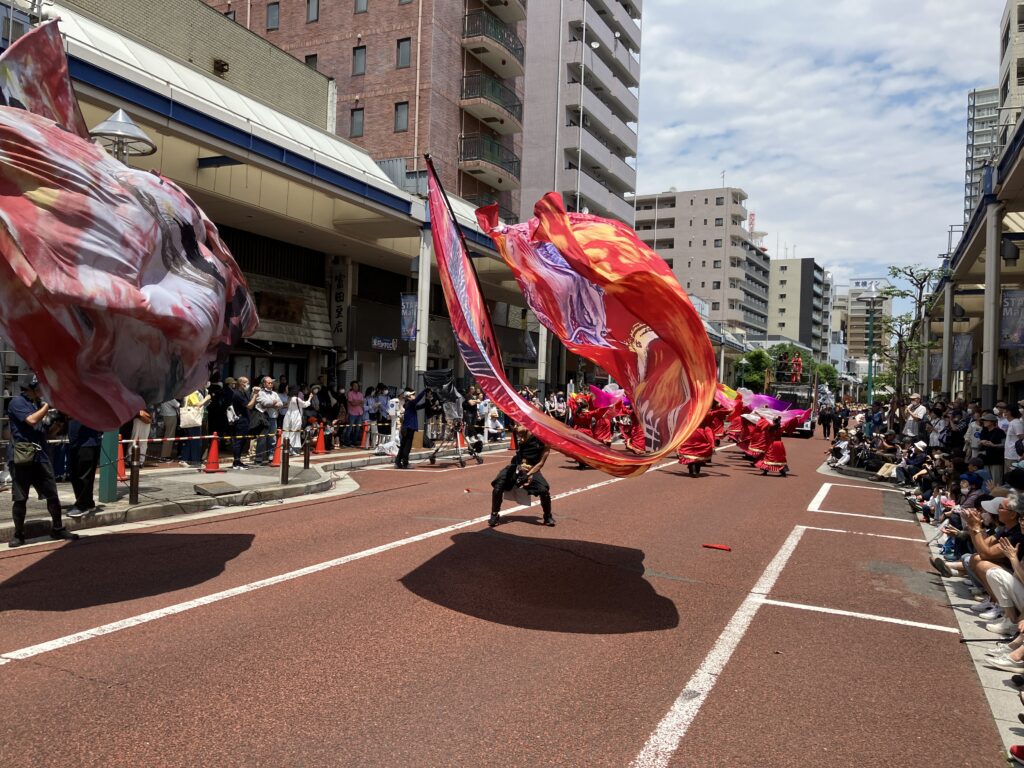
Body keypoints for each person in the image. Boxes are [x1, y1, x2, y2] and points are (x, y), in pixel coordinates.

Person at [6, 375, 78, 547]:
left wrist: (61, 421)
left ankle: (58, 528)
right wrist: (48, 405)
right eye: (39, 388)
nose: (43, 392)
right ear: (29, 388)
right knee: (20, 497)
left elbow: (48, 432)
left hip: (41, 455)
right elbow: (31, 420)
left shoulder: (37, 404)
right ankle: (19, 534)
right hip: (22, 456)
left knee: (52, 494)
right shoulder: (17, 402)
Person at [489, 424, 553, 527]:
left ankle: (547, 516)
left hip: (531, 469)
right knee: (498, 486)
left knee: (544, 490)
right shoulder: (522, 435)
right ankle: (494, 515)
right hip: (516, 467)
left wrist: (527, 475)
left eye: (519, 425)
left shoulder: (545, 443)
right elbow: (519, 429)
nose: (516, 427)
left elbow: (540, 464)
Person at [65, 418, 103, 519]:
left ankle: (81, 506)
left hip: (87, 443)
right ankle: (88, 502)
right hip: (75, 443)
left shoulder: (88, 405)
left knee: (83, 476)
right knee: (75, 475)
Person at [250, 376, 282, 465]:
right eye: (269, 383)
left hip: (273, 418)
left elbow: (281, 404)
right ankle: (258, 458)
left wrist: (271, 404)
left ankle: (271, 456)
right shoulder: (260, 392)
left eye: (271, 383)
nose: (271, 384)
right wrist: (273, 403)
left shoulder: (274, 393)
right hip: (263, 419)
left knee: (272, 439)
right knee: (262, 439)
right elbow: (264, 403)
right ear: (264, 383)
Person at [395, 389, 428, 469]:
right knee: (407, 446)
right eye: (412, 395)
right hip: (409, 428)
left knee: (403, 446)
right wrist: (424, 391)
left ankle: (398, 462)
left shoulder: (409, 404)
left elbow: (421, 406)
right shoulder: (410, 403)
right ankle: (405, 463)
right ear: (408, 397)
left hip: (406, 428)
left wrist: (428, 401)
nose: (414, 396)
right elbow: (417, 399)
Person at [979, 412, 1007, 486]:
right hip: (986, 458)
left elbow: (1004, 444)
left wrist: (994, 445)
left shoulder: (1000, 432)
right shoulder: (984, 431)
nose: (984, 422)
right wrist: (982, 441)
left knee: (996, 480)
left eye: (986, 420)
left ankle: (997, 495)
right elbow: (980, 440)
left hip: (996, 459)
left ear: (992, 422)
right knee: (987, 481)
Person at [283, 386, 312, 455]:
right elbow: (305, 404)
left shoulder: (289, 398)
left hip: (288, 416)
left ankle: (287, 448)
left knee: (287, 432)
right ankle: (292, 450)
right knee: (294, 432)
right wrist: (310, 398)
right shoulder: (296, 399)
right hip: (295, 417)